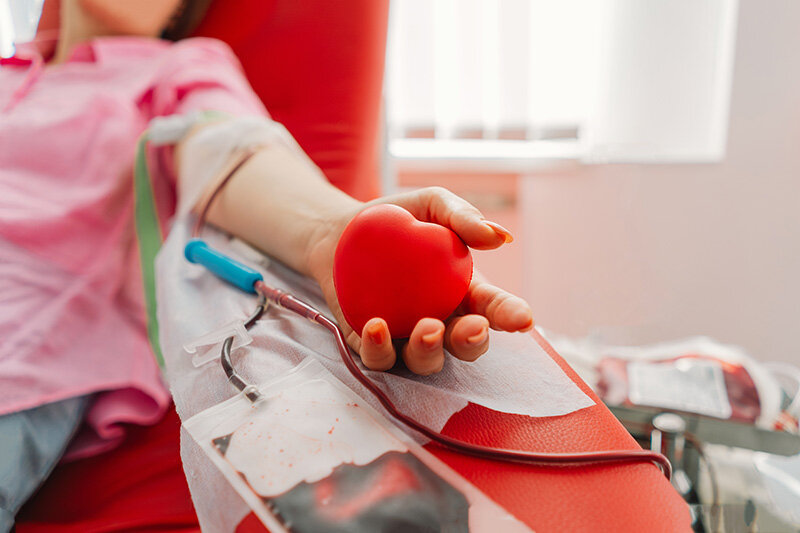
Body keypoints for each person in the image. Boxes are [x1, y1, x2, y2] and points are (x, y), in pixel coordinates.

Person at [0, 0, 533, 528]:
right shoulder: (10, 71)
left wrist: (332, 231)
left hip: (20, 350)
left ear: (177, 12)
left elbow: (231, 149)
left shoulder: (180, 68)